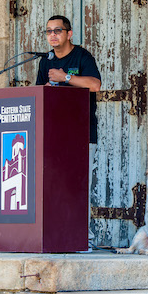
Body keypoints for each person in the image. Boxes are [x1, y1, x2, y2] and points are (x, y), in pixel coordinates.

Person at [36, 15, 101, 251]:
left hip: (81, 134)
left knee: (78, 187)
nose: (52, 35)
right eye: (48, 31)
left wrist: (66, 78)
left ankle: (85, 238)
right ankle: (58, 236)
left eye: (58, 30)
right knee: (54, 186)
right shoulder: (46, 61)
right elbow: (40, 93)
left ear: (69, 34)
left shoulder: (82, 56)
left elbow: (95, 85)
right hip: (53, 134)